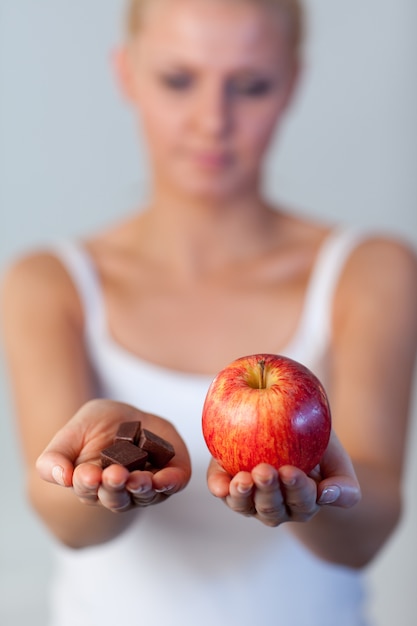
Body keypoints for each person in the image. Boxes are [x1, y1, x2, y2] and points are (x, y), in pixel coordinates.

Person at [1, 0, 416, 624]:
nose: (211, 120)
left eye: (250, 86)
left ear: (292, 85)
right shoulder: (45, 282)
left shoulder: (371, 270)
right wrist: (109, 459)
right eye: (178, 80)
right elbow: (67, 525)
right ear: (126, 75)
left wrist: (312, 494)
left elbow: (367, 533)